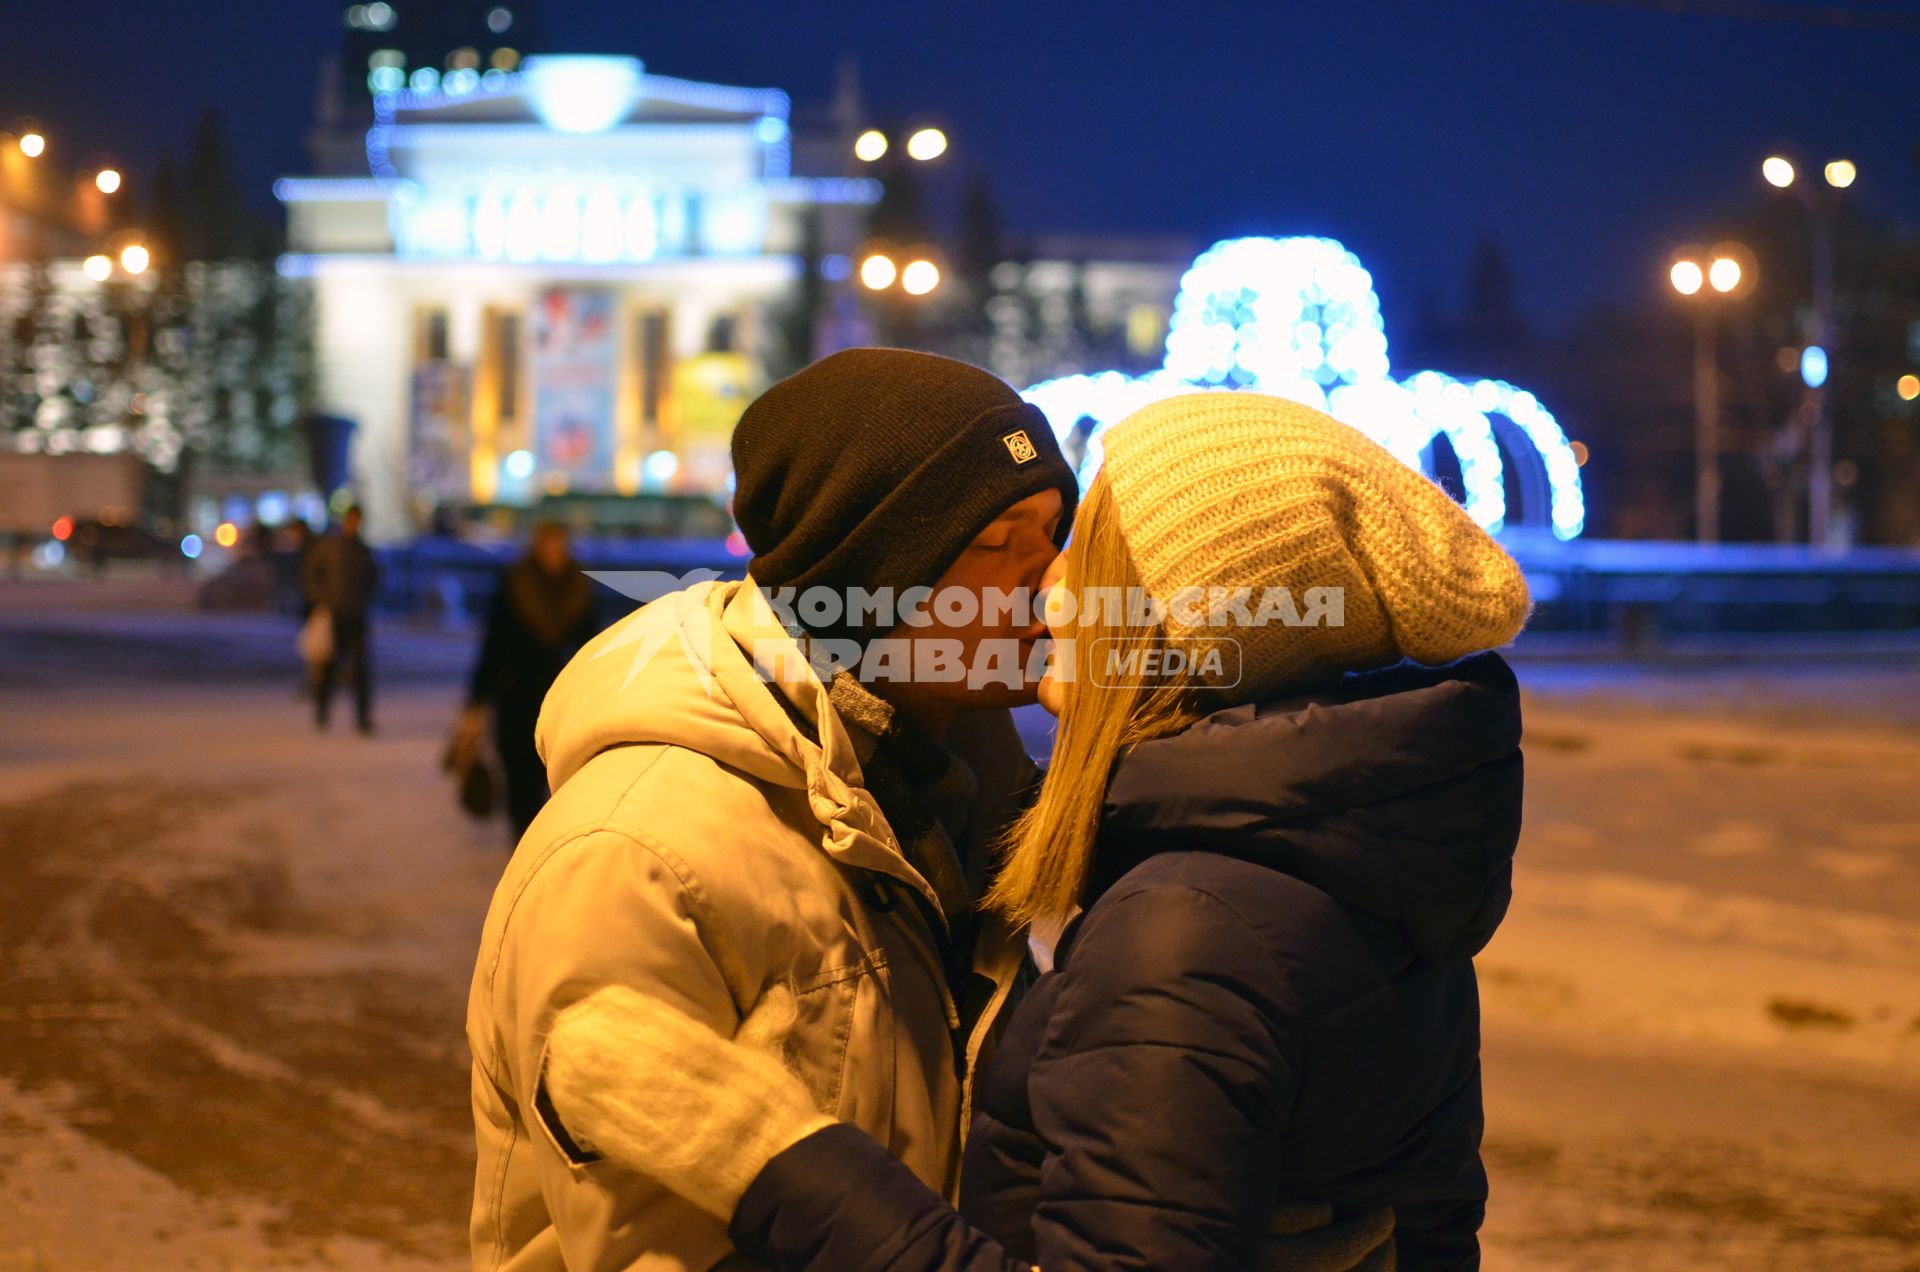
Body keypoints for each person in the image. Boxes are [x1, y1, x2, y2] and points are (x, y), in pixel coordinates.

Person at [538, 392, 1534, 1270]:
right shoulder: (1355, 854)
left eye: (1078, 549)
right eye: (998, 542)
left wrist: (770, 1158)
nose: (1049, 590)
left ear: (1189, 629)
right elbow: (1433, 1231)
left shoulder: (1188, 927)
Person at [465, 349, 1081, 1270]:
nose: (1054, 578)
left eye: (1053, 530)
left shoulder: (973, 807)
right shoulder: (636, 855)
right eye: (998, 542)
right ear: (870, 573)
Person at [463, 522, 599, 839]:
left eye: (560, 545)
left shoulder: (578, 588)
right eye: (549, 545)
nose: (555, 553)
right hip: (515, 695)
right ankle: (521, 836)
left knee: (549, 772)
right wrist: (477, 696)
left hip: (561, 695)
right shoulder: (515, 582)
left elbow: (591, 643)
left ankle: (537, 835)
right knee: (517, 770)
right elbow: (494, 644)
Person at [305, 506, 379, 734]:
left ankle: (362, 718)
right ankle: (322, 714)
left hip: (356, 615)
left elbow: (373, 579)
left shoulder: (363, 551)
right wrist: (323, 601)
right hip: (334, 614)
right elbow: (312, 575)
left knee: (361, 669)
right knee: (328, 667)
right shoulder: (331, 548)